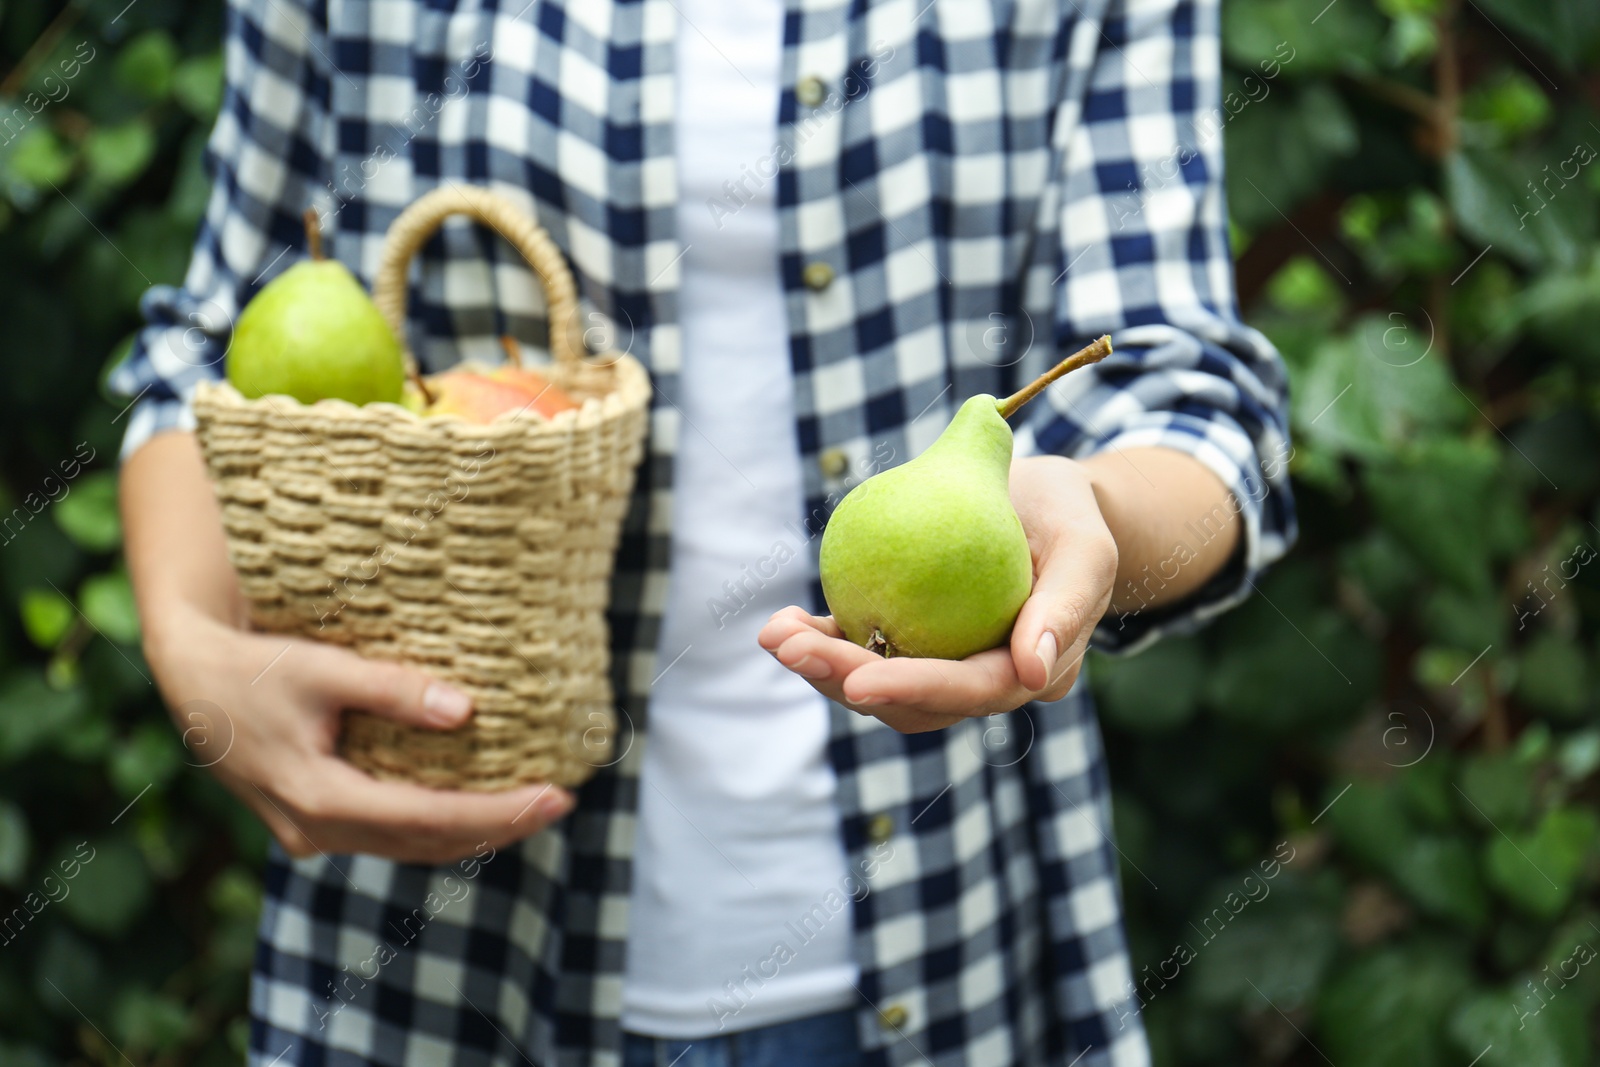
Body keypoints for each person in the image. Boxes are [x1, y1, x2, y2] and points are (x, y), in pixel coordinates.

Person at [112, 0, 1295, 1063]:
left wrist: (1088, 519)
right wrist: (188, 642)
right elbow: (208, 355)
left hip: (943, 949)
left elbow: (1186, 392)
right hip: (437, 951)